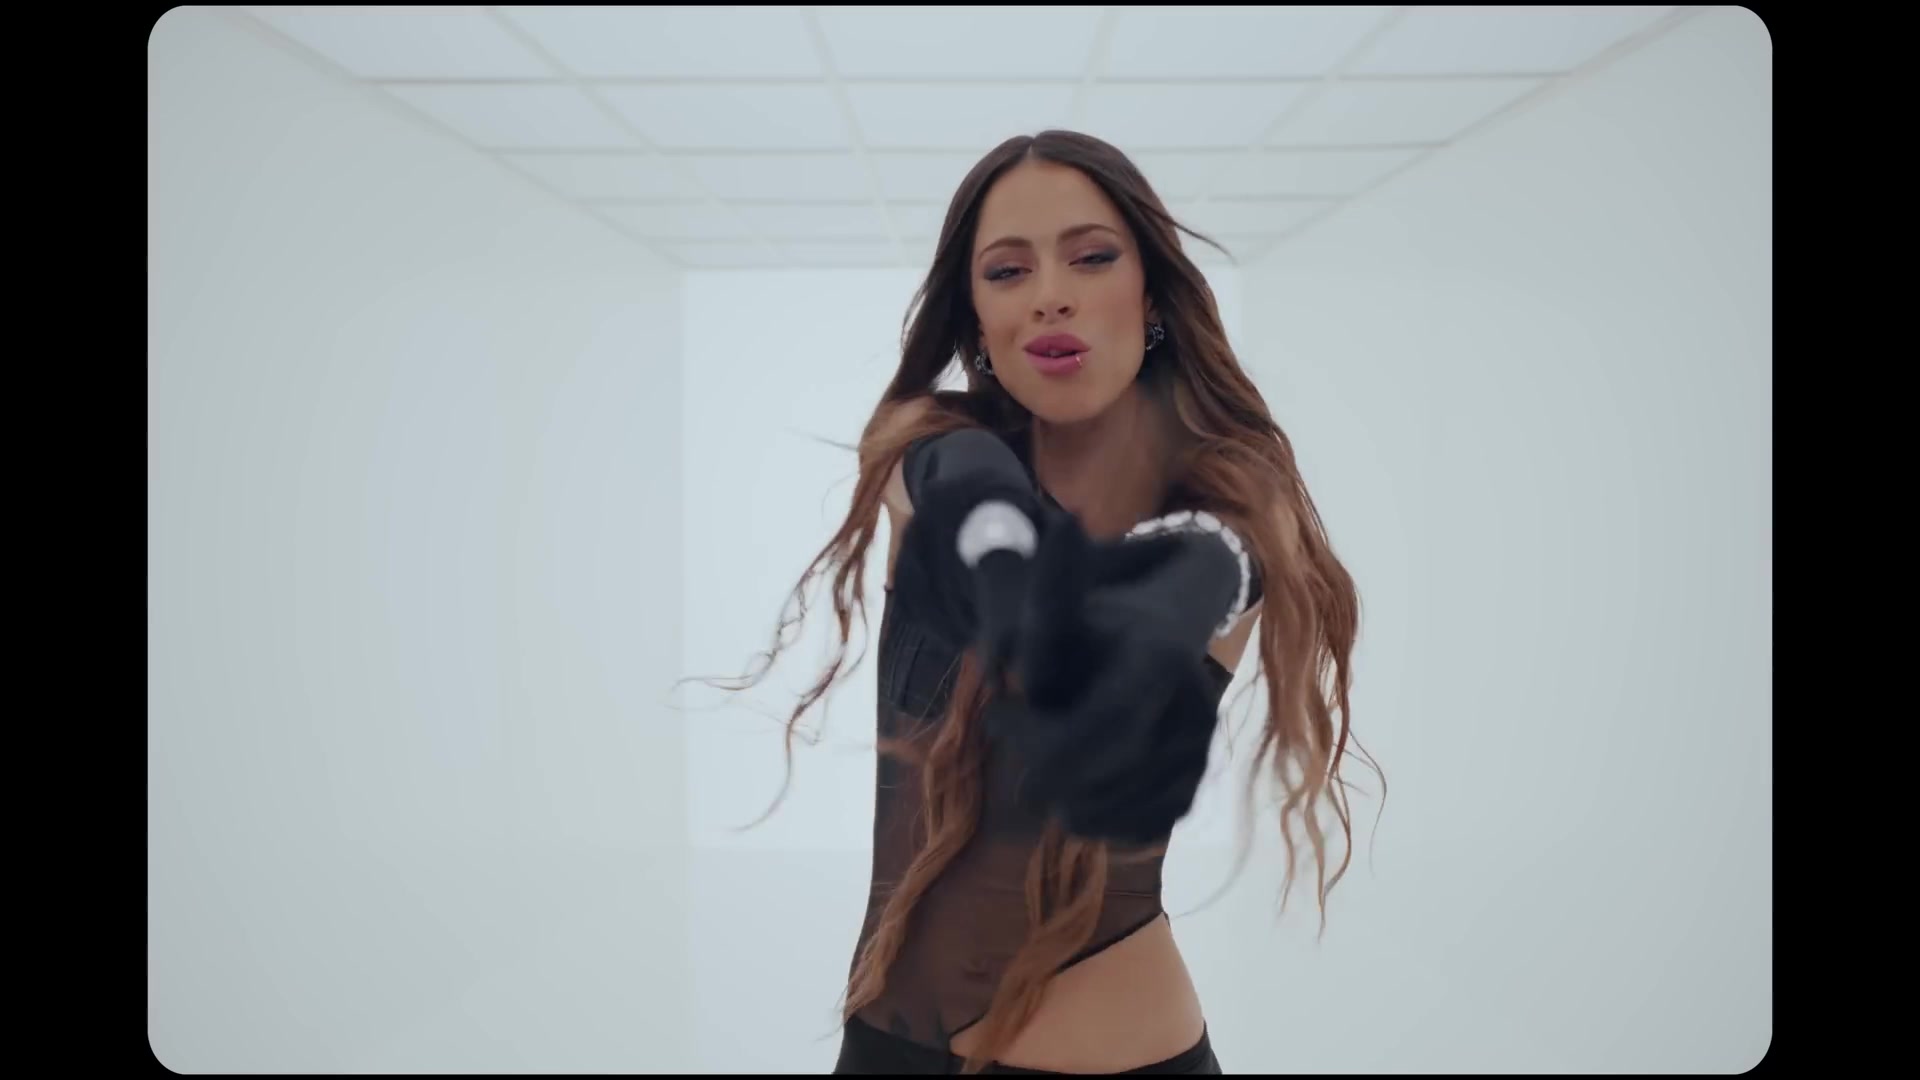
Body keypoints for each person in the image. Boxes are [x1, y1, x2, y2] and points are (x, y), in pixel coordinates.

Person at [728, 130, 1370, 1075]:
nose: (1049, 295)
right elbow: (955, 481)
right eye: (1007, 271)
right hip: (883, 1049)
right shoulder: (929, 447)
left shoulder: (1232, 508)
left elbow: (1198, 576)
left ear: (1151, 292)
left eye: (1091, 257)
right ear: (975, 317)